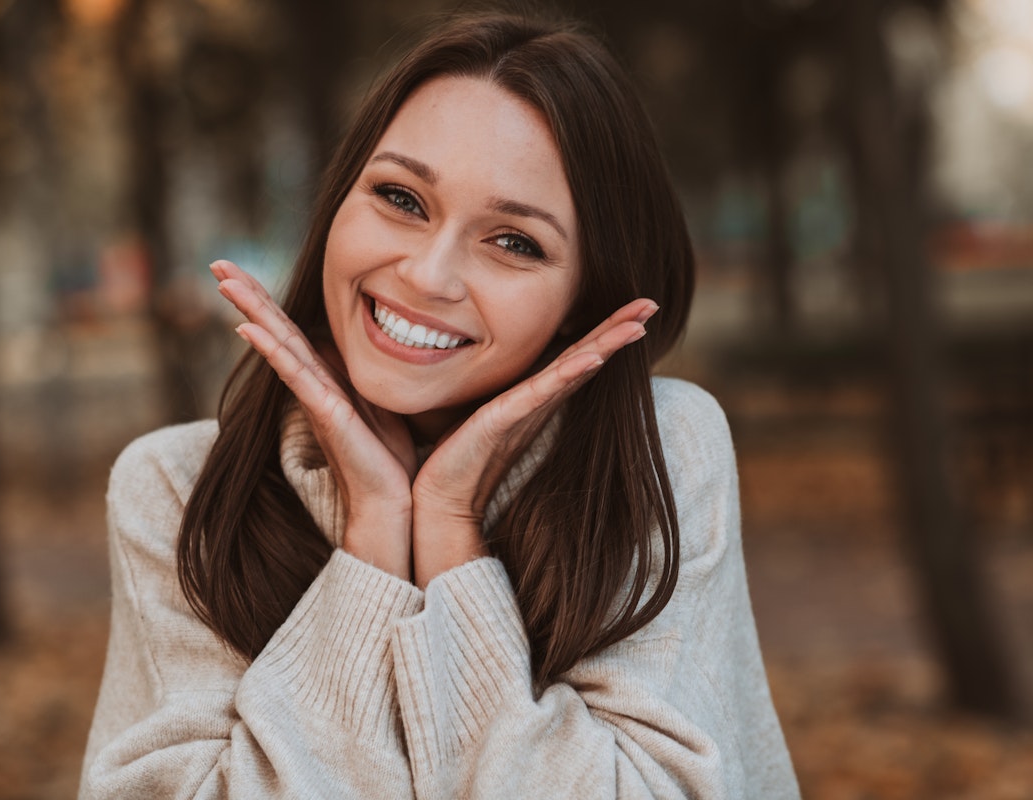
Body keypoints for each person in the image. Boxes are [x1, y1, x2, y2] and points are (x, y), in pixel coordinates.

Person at [79, 11, 799, 799]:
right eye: (400, 197)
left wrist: (452, 531)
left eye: (514, 242)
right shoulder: (177, 491)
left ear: (581, 301)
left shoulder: (656, 454)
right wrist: (372, 545)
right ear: (336, 207)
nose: (427, 275)